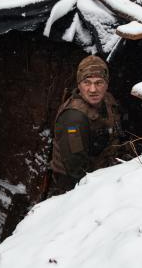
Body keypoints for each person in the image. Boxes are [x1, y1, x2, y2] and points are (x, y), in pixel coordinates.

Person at [49, 55, 122, 195]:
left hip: (104, 170)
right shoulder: (73, 119)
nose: (93, 89)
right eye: (87, 82)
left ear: (107, 84)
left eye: (99, 82)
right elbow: (77, 170)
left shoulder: (108, 100)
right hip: (73, 188)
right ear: (79, 85)